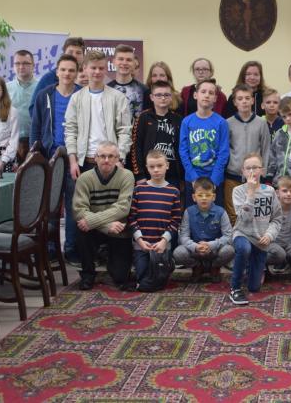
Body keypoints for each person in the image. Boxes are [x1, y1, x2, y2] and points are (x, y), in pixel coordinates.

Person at [30, 54, 82, 263]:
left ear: (77, 73)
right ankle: (50, 249)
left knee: (73, 205)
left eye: (71, 70)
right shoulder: (45, 95)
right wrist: (35, 155)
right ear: (57, 71)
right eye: (63, 69)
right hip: (50, 158)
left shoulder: (82, 95)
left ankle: (71, 249)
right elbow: (35, 127)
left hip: (75, 159)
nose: (67, 74)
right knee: (50, 206)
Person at [73, 141, 135, 290]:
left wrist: (93, 220)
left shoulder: (127, 176)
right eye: (102, 156)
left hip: (119, 230)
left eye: (111, 156)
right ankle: (88, 274)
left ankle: (109, 256)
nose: (106, 160)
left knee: (120, 278)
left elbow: (123, 209)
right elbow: (79, 211)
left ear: (118, 158)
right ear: (95, 158)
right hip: (97, 229)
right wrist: (106, 226)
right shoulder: (84, 178)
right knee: (80, 230)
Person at [64, 49, 132, 180]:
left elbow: (124, 131)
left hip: (111, 162)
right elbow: (70, 131)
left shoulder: (118, 97)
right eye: (93, 68)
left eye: (101, 68)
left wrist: (120, 159)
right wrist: (72, 162)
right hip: (84, 162)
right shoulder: (76, 98)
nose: (97, 71)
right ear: (85, 68)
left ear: (106, 69)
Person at [229, 153, 283, 305]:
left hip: (261, 240)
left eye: (255, 167)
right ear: (243, 171)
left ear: (262, 171)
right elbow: (244, 218)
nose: (252, 171)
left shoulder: (270, 191)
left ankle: (249, 266)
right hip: (243, 234)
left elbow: (277, 219)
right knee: (244, 248)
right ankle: (235, 288)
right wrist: (251, 193)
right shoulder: (238, 191)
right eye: (248, 168)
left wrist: (269, 235)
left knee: (254, 288)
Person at [127, 150, 181, 292]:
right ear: (147, 167)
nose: (156, 170)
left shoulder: (173, 191)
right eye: (152, 167)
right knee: (143, 281)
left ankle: (168, 263)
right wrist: (139, 240)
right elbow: (132, 218)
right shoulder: (139, 189)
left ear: (167, 166)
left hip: (162, 245)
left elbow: (175, 220)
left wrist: (164, 241)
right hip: (141, 245)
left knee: (158, 280)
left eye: (159, 165)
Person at [179, 78, 230, 208]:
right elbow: (183, 151)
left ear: (215, 98)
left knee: (215, 215)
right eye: (203, 91)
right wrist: (193, 177)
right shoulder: (186, 122)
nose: (207, 95)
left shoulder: (221, 122)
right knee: (192, 214)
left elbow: (224, 152)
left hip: (214, 179)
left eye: (211, 93)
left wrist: (215, 179)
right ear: (195, 95)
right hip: (193, 178)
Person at [224, 83, 272, 224]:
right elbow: (225, 149)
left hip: (255, 176)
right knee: (233, 213)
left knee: (255, 212)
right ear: (235, 102)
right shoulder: (228, 123)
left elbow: (266, 148)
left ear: (252, 100)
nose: (244, 101)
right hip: (233, 176)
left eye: (247, 98)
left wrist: (264, 173)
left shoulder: (261, 123)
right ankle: (235, 237)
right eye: (240, 99)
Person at [173, 176, 235, 282]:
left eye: (208, 195)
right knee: (178, 253)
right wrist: (195, 246)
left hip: (214, 250)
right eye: (200, 195)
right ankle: (197, 267)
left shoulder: (221, 212)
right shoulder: (188, 212)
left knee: (229, 250)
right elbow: (183, 236)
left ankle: (214, 267)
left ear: (214, 197)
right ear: (194, 197)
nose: (204, 198)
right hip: (195, 250)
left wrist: (211, 245)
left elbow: (228, 236)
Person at [130, 80, 183, 186]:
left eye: (166, 95)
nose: (163, 98)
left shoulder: (178, 119)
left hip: (172, 175)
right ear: (151, 97)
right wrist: (139, 175)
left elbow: (182, 148)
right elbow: (136, 146)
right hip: (149, 174)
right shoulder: (143, 117)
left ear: (171, 97)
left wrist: (182, 176)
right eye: (158, 95)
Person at [29, 37, 85, 116]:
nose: (74, 56)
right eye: (70, 52)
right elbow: (34, 108)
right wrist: (47, 122)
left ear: (83, 56)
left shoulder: (88, 77)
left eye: (78, 53)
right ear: (64, 54)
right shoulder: (48, 78)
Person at [6, 49, 38, 164]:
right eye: (17, 63)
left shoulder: (42, 87)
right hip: (11, 142)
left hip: (35, 142)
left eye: (25, 63)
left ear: (33, 66)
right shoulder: (5, 88)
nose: (21, 67)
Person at [107, 44, 148, 119]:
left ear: (134, 64)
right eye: (121, 59)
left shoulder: (144, 90)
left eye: (129, 60)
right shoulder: (106, 90)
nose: (124, 63)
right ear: (114, 62)